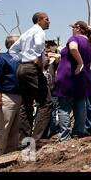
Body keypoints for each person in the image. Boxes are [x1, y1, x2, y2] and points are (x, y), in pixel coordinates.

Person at [9, 12, 53, 145]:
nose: (49, 21)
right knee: (46, 102)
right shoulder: (39, 31)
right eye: (47, 19)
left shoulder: (26, 33)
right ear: (39, 20)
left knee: (26, 104)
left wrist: (22, 59)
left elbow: (12, 50)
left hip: (22, 68)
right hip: (32, 69)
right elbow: (39, 46)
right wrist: (37, 61)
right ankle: (38, 139)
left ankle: (25, 140)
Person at [54, 21, 91, 141]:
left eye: (73, 27)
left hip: (68, 77)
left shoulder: (74, 38)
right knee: (80, 105)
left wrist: (79, 62)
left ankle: (65, 136)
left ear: (78, 29)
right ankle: (79, 131)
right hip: (82, 78)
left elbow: (73, 48)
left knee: (64, 108)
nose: (72, 30)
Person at [0, 35, 22, 156]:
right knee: (2, 128)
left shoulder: (22, 58)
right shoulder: (1, 59)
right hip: (6, 97)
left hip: (19, 96)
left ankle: (10, 155)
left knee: (14, 128)